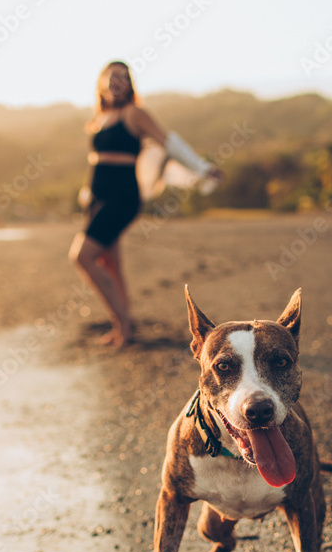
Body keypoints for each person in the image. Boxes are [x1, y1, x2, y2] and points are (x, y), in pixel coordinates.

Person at [69, 60, 221, 346]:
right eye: (113, 76)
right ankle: (123, 326)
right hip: (97, 197)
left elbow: (168, 142)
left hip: (122, 196)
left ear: (130, 85)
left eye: (124, 77)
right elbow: (97, 162)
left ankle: (124, 324)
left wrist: (202, 168)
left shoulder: (134, 114)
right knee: (109, 261)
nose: (118, 81)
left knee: (82, 256)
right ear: (102, 82)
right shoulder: (99, 119)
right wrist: (87, 194)